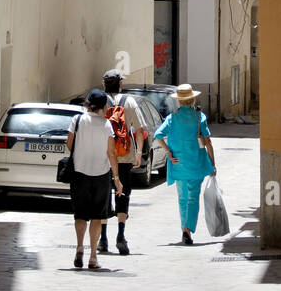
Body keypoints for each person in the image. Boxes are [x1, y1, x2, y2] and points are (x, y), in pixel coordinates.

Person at [66, 88, 124, 270]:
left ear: (87, 103)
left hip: (79, 173)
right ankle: (92, 257)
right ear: (103, 106)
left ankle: (79, 247)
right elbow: (111, 153)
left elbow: (69, 143)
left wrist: (81, 155)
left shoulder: (77, 120)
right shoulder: (107, 125)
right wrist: (116, 178)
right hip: (101, 175)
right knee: (97, 217)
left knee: (80, 214)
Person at [154, 83, 216, 245]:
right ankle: (188, 229)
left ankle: (184, 229)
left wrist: (168, 152)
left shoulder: (172, 118)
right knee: (193, 198)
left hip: (178, 164)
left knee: (182, 198)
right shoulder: (199, 118)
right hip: (196, 163)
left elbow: (158, 135)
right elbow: (208, 142)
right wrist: (212, 164)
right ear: (192, 100)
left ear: (179, 101)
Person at [97, 70, 148, 256]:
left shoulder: (99, 102)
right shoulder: (130, 101)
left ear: (105, 84)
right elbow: (140, 129)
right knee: (123, 195)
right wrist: (139, 152)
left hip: (104, 157)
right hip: (125, 156)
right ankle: (120, 235)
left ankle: (103, 239)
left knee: (104, 195)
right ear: (120, 84)